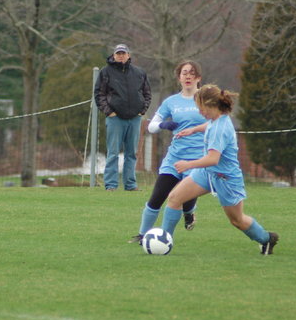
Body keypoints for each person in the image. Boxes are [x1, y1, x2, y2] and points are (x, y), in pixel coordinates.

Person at [158, 84, 279, 254]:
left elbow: (213, 159)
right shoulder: (216, 119)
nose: (200, 112)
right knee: (174, 198)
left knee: (237, 220)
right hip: (207, 173)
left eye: (201, 108)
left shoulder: (220, 129)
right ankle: (163, 242)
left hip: (226, 179)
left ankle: (267, 238)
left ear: (212, 106)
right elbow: (208, 125)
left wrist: (188, 164)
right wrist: (193, 129)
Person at [128, 61, 206, 244]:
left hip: (197, 160)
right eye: (184, 73)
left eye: (192, 73)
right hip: (174, 158)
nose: (187, 76)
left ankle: (188, 213)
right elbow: (151, 126)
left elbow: (217, 122)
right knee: (157, 197)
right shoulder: (171, 102)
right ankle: (142, 235)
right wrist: (164, 124)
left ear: (198, 78)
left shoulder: (205, 100)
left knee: (185, 199)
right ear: (179, 77)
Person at [94, 43, 152, 191]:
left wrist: (142, 110)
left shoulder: (139, 73)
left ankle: (130, 185)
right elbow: (99, 94)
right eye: (118, 53)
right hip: (115, 118)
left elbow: (147, 93)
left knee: (131, 153)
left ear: (128, 55)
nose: (120, 56)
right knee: (113, 153)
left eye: (123, 53)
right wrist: (109, 112)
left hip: (135, 118)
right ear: (114, 55)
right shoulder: (105, 72)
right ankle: (111, 185)